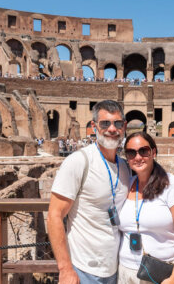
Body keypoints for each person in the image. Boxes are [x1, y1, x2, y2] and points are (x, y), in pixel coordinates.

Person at [48, 100, 130, 284]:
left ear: (124, 126)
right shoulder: (78, 161)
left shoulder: (125, 167)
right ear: (94, 126)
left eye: (117, 123)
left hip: (116, 268)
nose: (112, 129)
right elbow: (54, 215)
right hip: (83, 269)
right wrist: (65, 268)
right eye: (105, 123)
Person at [118, 132, 174, 284]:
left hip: (159, 273)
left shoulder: (172, 185)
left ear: (153, 152)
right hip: (126, 271)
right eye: (131, 153)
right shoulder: (127, 184)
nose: (138, 157)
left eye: (143, 151)